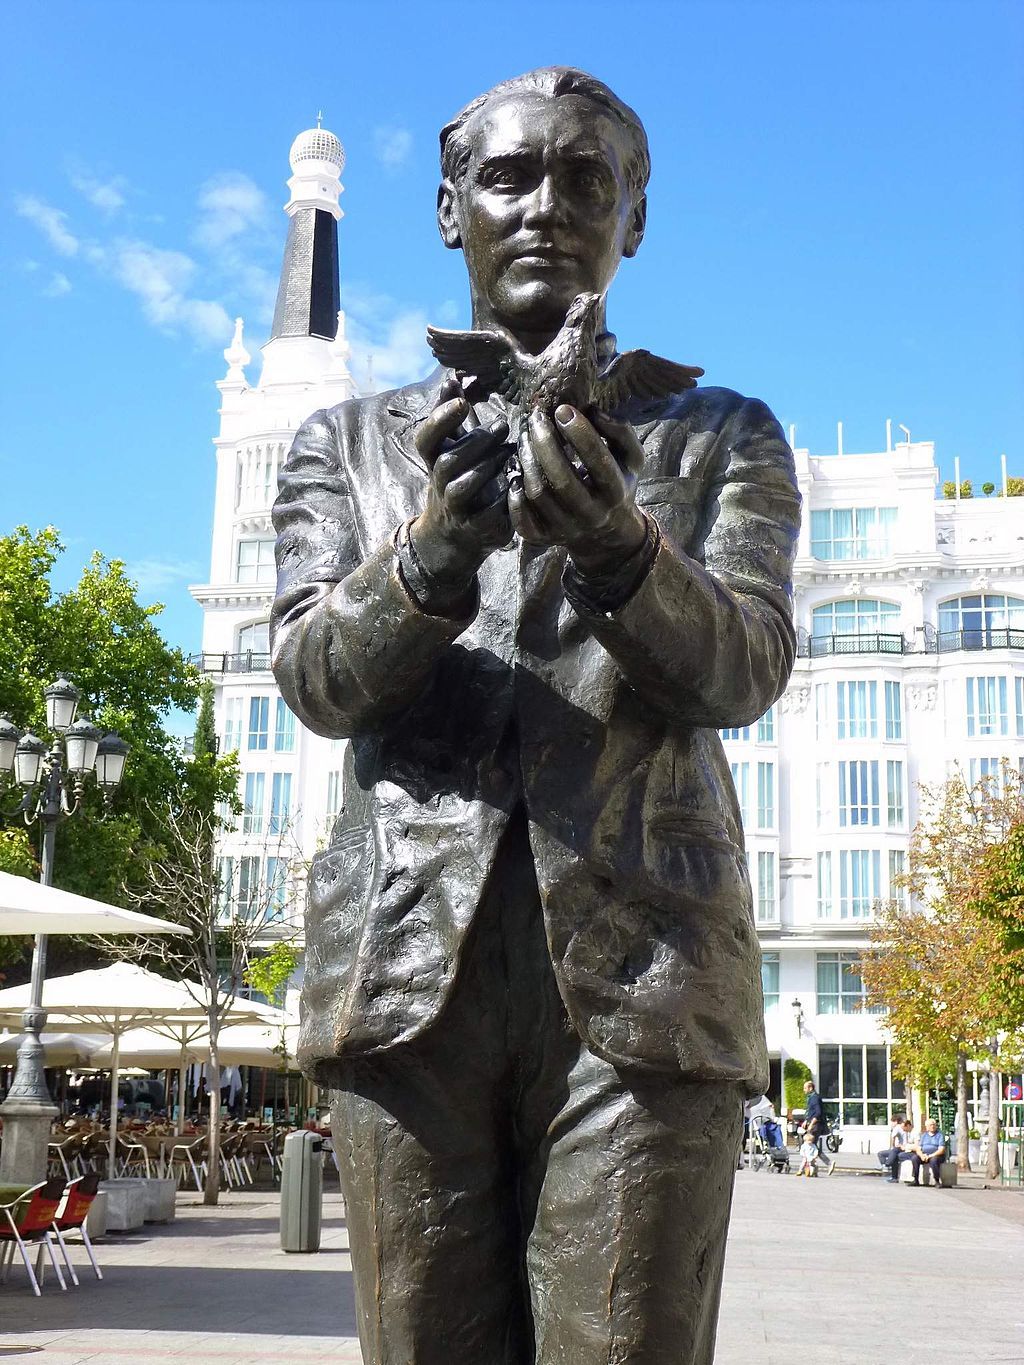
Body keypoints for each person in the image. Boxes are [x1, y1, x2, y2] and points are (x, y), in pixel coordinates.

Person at [271, 66, 800, 1365]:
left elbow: (747, 666)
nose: (547, 207)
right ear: (450, 210)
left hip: (652, 987)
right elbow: (314, 679)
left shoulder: (722, 436)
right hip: (405, 983)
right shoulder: (344, 449)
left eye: (586, 179)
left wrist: (626, 554)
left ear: (635, 219)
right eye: (508, 176)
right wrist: (429, 562)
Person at [802, 1078, 834, 1175]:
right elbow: (811, 1112)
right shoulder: (811, 1097)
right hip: (813, 1124)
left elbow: (818, 1112)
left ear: (810, 1088)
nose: (804, 1090)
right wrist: (805, 1121)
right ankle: (814, 1168)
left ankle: (828, 1163)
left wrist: (811, 1124)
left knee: (811, 1146)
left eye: (805, 1088)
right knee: (812, 1146)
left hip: (816, 1125)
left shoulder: (815, 1098)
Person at [911, 1117, 947, 1186]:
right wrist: (921, 1155)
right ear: (927, 1127)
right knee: (914, 1158)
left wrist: (930, 1156)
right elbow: (918, 1148)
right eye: (930, 1125)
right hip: (925, 1155)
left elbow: (941, 1150)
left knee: (934, 1160)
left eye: (934, 1124)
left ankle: (937, 1181)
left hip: (936, 1155)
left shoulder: (940, 1135)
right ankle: (915, 1180)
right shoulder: (924, 1135)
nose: (932, 1126)